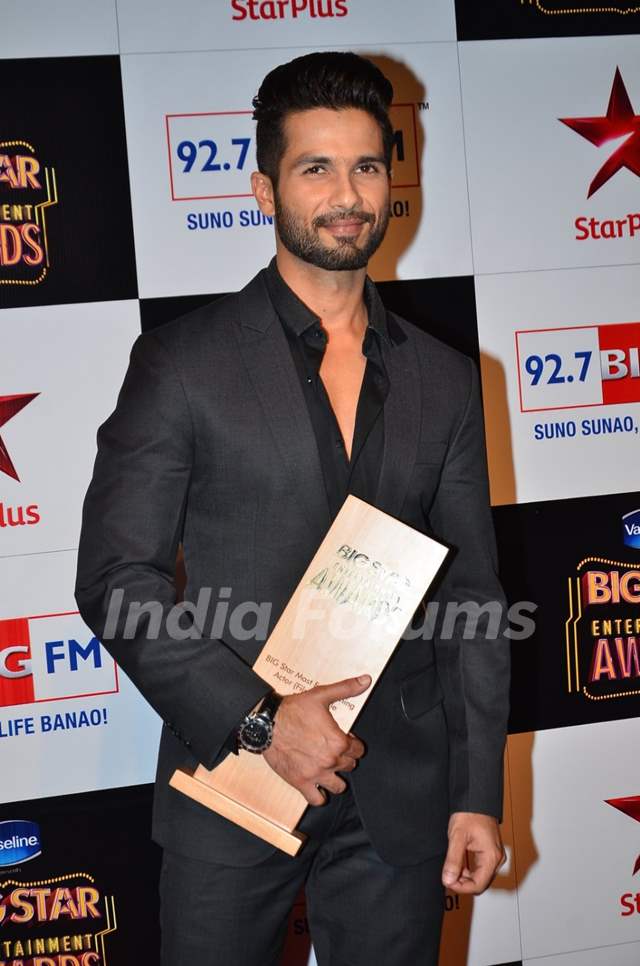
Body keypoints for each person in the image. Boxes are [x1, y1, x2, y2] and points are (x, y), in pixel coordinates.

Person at [75, 51, 510, 966]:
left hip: (402, 796)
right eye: (316, 167)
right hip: (234, 783)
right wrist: (263, 719)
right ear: (264, 185)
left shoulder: (446, 381)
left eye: (365, 165)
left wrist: (477, 791)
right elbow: (118, 580)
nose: (347, 194)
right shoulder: (183, 363)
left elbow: (473, 598)